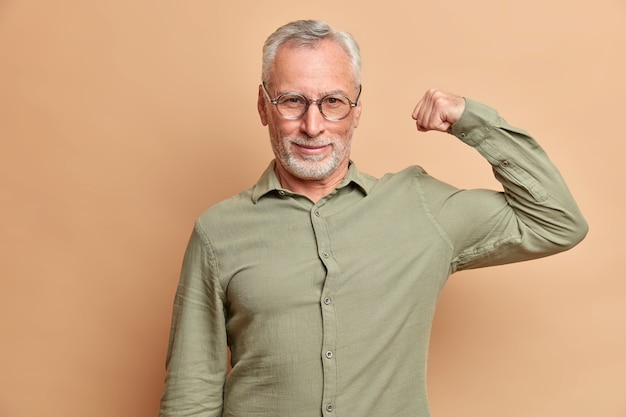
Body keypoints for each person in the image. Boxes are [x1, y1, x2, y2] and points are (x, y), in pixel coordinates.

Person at [159, 19, 587, 417]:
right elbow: (190, 391)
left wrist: (471, 122)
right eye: (292, 101)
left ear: (357, 109)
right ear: (262, 106)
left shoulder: (419, 207)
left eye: (333, 102)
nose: (313, 125)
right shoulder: (218, 231)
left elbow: (558, 221)